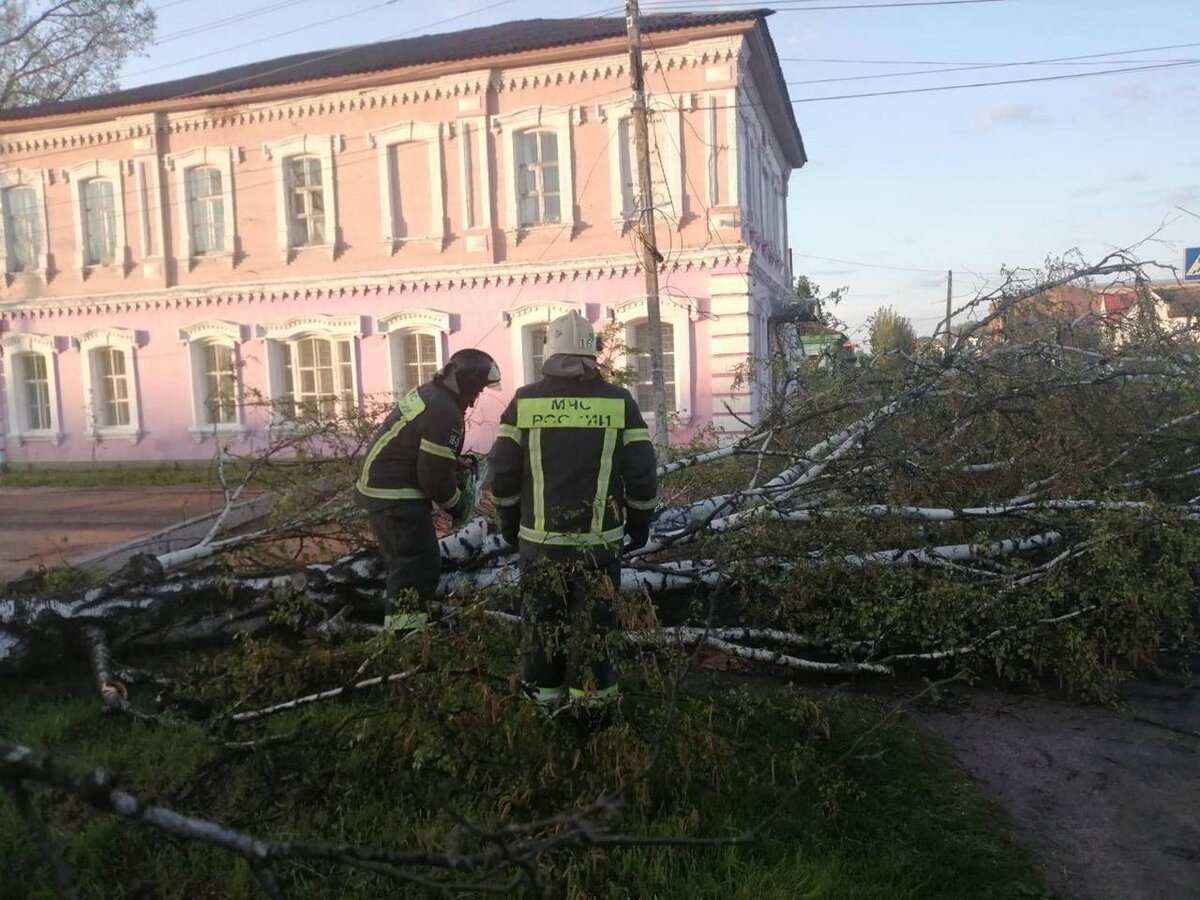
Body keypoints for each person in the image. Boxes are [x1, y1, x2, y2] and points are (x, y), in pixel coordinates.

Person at [488, 311, 658, 709]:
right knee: (595, 632)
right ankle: (593, 721)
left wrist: (510, 525)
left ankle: (544, 714)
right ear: (592, 354)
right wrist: (640, 523)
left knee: (543, 631)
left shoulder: (525, 401)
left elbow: (502, 474)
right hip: (598, 549)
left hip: (540, 545)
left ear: (549, 351)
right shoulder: (619, 401)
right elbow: (642, 472)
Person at [356, 349, 501, 632]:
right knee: (416, 565)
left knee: (407, 563)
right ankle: (405, 638)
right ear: (470, 384)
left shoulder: (430, 394)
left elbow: (420, 445)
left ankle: (404, 631)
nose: (477, 398)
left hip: (382, 485)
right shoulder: (445, 412)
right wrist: (460, 507)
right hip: (395, 494)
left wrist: (450, 460)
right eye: (479, 390)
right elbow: (434, 478)